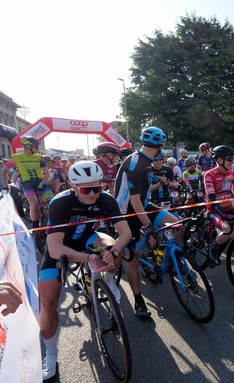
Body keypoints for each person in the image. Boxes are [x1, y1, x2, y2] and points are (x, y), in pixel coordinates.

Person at [39, 161, 131, 380]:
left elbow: (125, 233)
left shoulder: (106, 199)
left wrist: (113, 252)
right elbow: (54, 248)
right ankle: (51, 354)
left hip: (88, 238)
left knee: (113, 249)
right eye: (85, 190)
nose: (92, 194)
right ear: (72, 186)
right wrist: (89, 258)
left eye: (97, 188)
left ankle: (108, 282)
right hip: (61, 246)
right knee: (49, 304)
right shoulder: (60, 203)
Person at [115, 126, 182, 318]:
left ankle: (169, 258)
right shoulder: (136, 162)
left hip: (144, 205)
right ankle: (138, 300)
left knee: (177, 223)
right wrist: (149, 227)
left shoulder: (147, 160)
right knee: (133, 260)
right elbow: (134, 202)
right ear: (159, 147)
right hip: (127, 214)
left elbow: (143, 196)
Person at [204, 145, 234, 265]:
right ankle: (213, 249)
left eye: (233, 158)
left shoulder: (232, 173)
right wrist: (222, 215)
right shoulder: (209, 175)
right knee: (229, 229)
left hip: (228, 208)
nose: (232, 161)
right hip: (214, 211)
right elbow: (212, 200)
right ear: (220, 160)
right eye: (229, 159)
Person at [1, 136, 53, 228]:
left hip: (40, 182)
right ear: (28, 146)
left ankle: (49, 221)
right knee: (34, 203)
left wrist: (41, 184)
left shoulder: (39, 157)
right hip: (27, 183)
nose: (37, 148)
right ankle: (35, 226)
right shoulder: (16, 157)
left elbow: (46, 173)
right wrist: (5, 185)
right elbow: (4, 171)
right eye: (36, 146)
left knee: (51, 202)